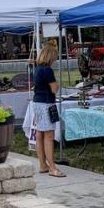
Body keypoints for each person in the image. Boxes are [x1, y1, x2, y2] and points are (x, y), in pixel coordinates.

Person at [32, 44, 65, 178]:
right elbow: (53, 89)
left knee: (40, 134)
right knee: (49, 136)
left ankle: (43, 164)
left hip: (37, 102)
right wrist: (57, 85)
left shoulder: (38, 69)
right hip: (46, 103)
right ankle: (52, 167)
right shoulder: (47, 70)